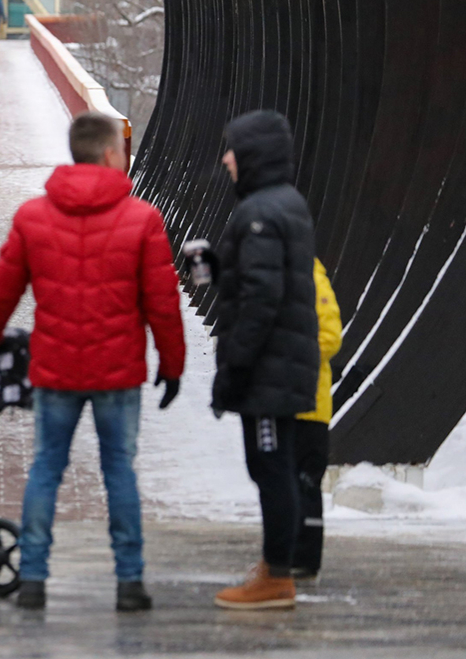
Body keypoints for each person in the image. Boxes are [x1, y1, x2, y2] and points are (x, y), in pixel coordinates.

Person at [0, 112, 185, 613]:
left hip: (56, 369)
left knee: (46, 468)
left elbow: (2, 289)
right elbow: (162, 302)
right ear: (111, 153)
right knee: (119, 472)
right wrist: (172, 365)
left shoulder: (33, 217)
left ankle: (32, 579)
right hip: (118, 371)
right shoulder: (142, 219)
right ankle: (129, 582)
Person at [206, 110, 320, 610]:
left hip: (269, 369)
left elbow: (261, 298)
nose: (226, 159)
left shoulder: (258, 214)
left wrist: (236, 366)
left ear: (252, 155)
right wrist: (217, 265)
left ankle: (277, 577)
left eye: (232, 149)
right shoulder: (282, 204)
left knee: (270, 466)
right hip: (285, 363)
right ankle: (276, 564)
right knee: (274, 465)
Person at [292, 258, 341, 579]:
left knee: (306, 482)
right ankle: (289, 556)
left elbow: (330, 337)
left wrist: (285, 354)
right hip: (286, 403)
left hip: (310, 404)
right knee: (287, 483)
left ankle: (306, 559)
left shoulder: (311, 276)